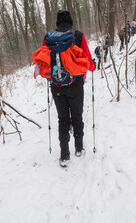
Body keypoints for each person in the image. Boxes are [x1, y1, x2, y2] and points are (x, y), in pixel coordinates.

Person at [36, 10, 95, 165]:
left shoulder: (48, 38)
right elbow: (88, 60)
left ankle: (64, 154)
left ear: (57, 23)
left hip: (56, 86)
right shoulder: (78, 36)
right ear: (71, 21)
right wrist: (93, 67)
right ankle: (79, 147)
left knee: (63, 119)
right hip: (75, 84)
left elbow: (44, 61)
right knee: (77, 117)